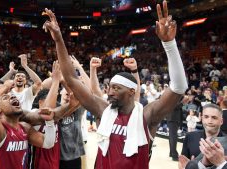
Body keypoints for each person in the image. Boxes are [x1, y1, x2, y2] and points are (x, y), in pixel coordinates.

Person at [42, 0, 188, 168]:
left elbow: (179, 87)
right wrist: (59, 39)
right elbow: (71, 79)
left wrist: (169, 44)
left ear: (132, 91)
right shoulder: (103, 110)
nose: (110, 92)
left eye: (116, 88)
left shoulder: (147, 115)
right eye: (110, 87)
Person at [0, 80, 56, 169]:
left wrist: (50, 122)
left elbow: (48, 143)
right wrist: (4, 88)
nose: (12, 97)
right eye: (5, 98)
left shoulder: (25, 127)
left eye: (13, 96)